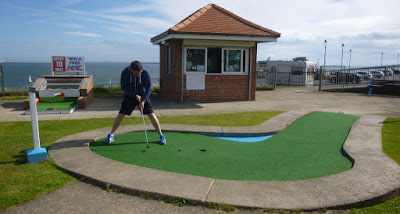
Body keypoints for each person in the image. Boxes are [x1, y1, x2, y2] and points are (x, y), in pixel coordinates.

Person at [104, 61, 166, 145]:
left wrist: (143, 100)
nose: (139, 75)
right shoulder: (125, 72)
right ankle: (111, 135)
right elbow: (124, 87)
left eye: (140, 72)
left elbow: (149, 88)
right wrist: (134, 95)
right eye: (137, 73)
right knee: (121, 114)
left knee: (151, 114)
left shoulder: (145, 73)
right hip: (130, 95)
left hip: (143, 95)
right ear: (131, 70)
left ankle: (161, 135)